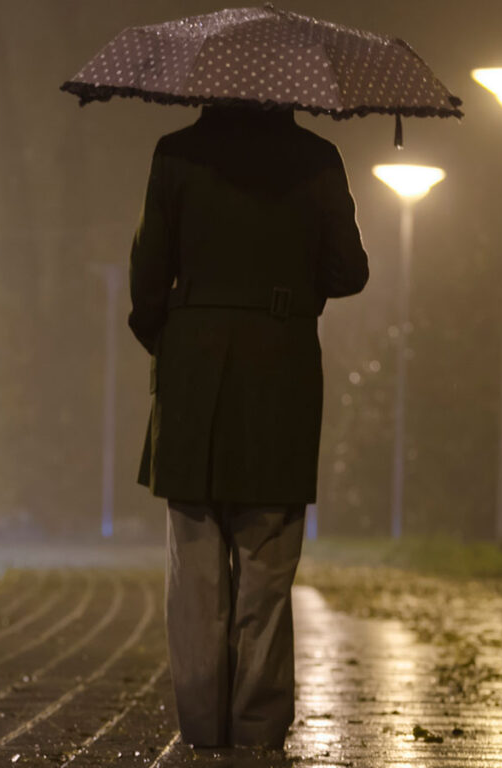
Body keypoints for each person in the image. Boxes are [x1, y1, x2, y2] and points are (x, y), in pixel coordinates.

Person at [128, 104, 369, 750]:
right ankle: (259, 730)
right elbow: (351, 272)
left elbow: (147, 278)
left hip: (194, 377)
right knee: (267, 561)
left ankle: (204, 728)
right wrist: (287, 294)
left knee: (197, 567)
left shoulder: (175, 154)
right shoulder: (316, 158)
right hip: (281, 374)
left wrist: (178, 338)